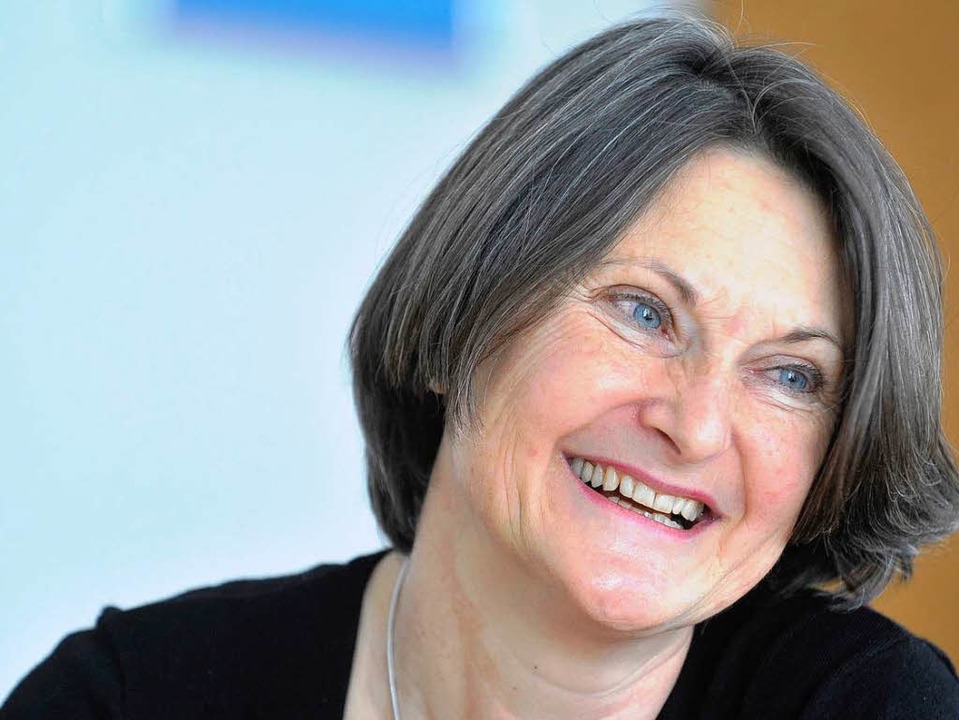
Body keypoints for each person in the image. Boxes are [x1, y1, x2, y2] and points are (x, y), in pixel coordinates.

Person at [4, 15, 959, 720]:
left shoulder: (864, 705)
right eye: (642, 313)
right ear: (464, 317)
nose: (696, 424)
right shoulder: (131, 698)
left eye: (790, 376)